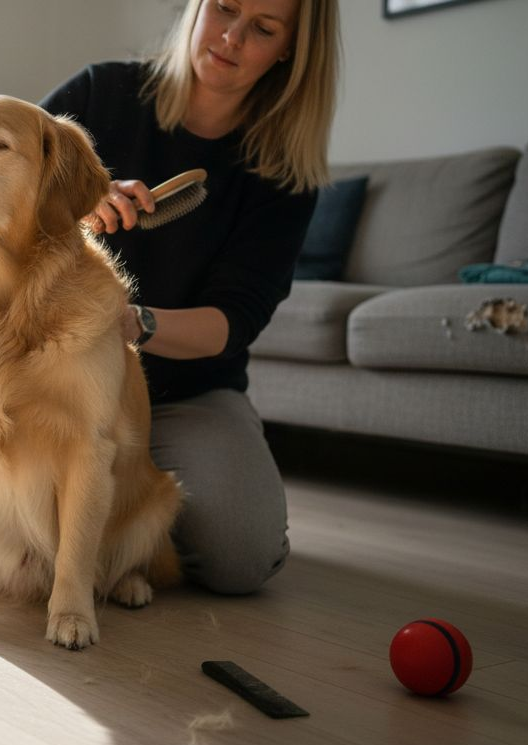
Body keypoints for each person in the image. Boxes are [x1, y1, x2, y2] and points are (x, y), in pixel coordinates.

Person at [39, 0, 340, 594]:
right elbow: (0, 207)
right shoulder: (102, 92)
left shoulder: (285, 175)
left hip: (185, 394)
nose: (230, 36)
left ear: (291, 51)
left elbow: (231, 323)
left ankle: (126, 520)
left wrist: (128, 322)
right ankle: (104, 523)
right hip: (58, 380)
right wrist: (74, 205)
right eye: (224, 8)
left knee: (240, 559)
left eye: (263, 29)